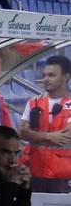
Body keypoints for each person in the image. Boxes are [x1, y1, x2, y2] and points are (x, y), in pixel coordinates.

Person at [17, 55, 71, 193]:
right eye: (44, 75)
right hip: (34, 170)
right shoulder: (33, 102)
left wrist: (32, 135)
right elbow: (21, 132)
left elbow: (66, 136)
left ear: (66, 77)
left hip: (62, 174)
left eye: (51, 75)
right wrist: (50, 136)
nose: (45, 79)